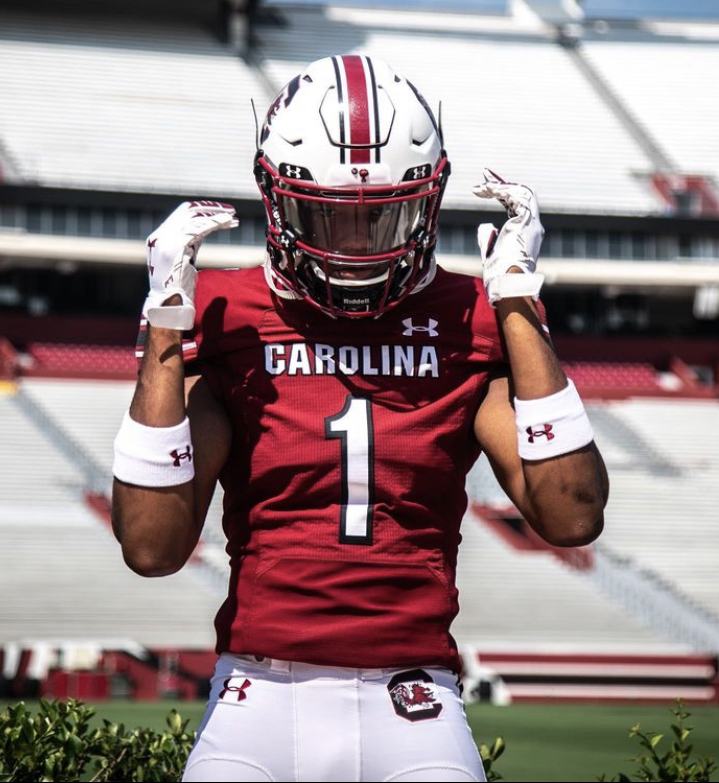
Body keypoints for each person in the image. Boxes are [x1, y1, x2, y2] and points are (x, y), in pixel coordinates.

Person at [111, 54, 609, 783]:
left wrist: (517, 309)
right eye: (329, 218)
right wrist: (165, 328)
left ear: (427, 201)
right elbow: (151, 548)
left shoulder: (469, 319)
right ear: (278, 200)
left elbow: (572, 517)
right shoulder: (227, 313)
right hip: (256, 693)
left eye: (384, 218)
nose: (356, 250)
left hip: (414, 699)